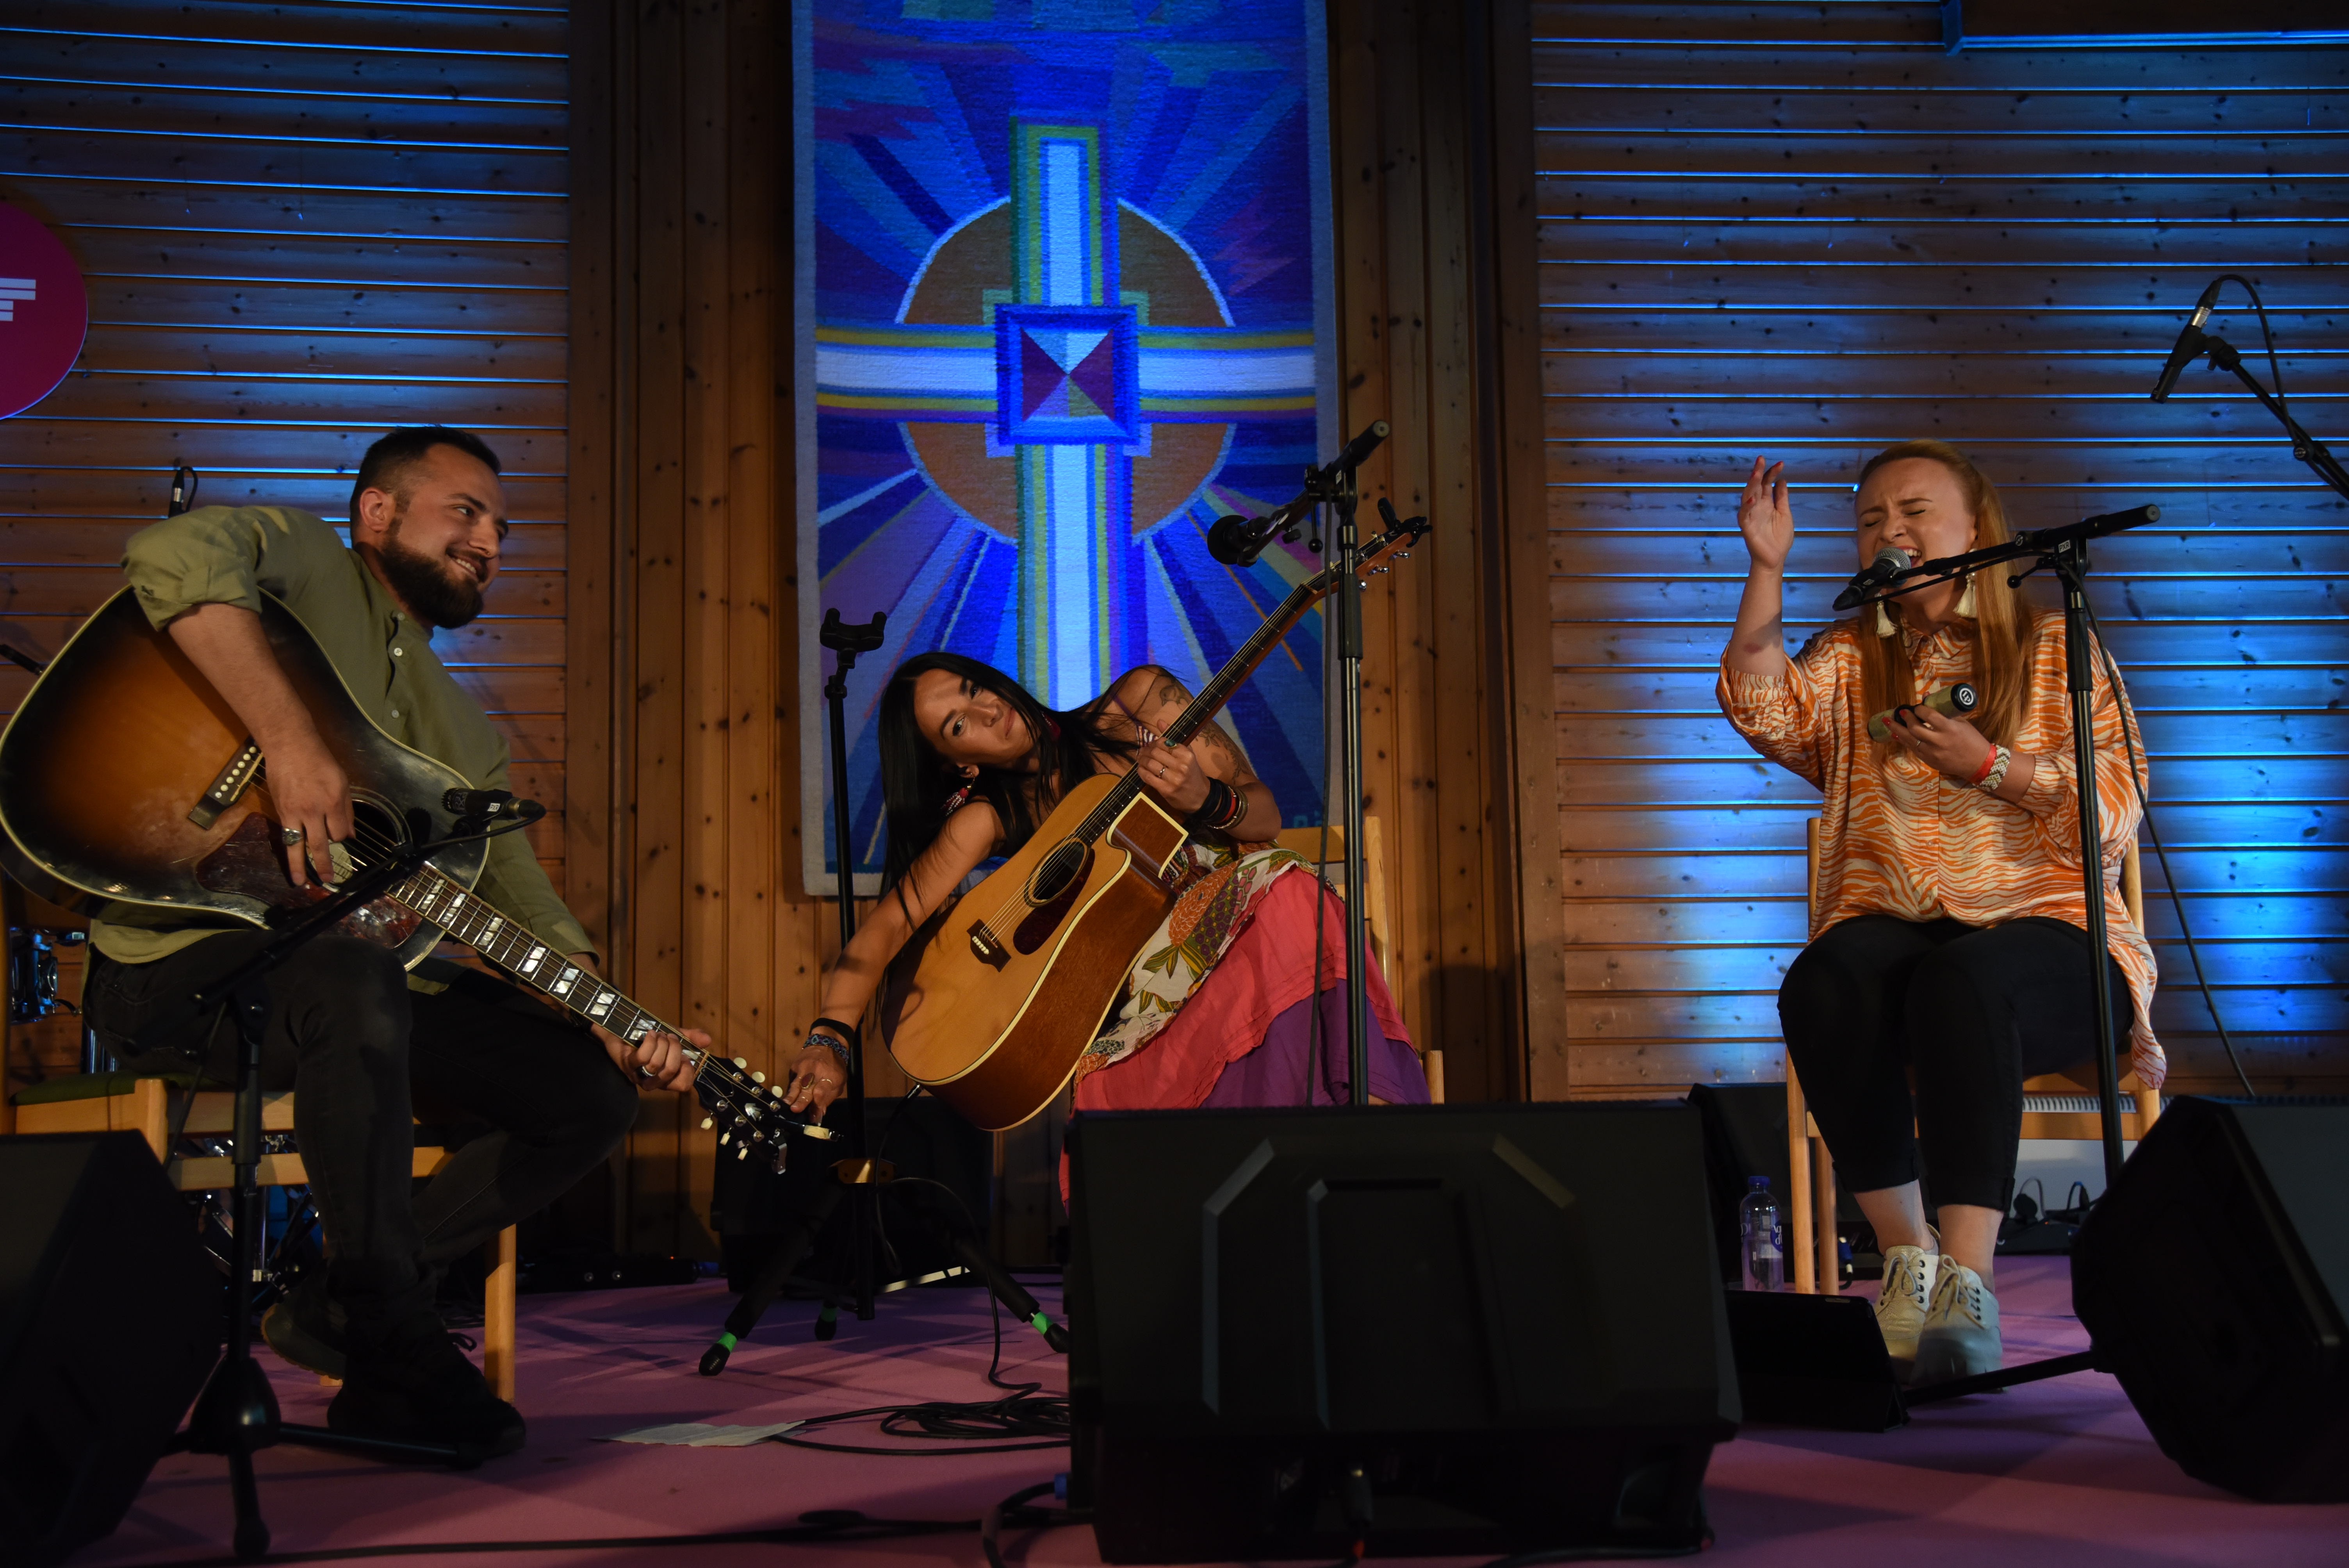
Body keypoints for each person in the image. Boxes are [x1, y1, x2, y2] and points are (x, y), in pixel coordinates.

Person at [83, 427, 708, 1461]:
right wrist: (288, 747)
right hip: (177, 972)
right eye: (464, 510)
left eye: (501, 526)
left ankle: (341, 1304)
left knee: (584, 1097)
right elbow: (170, 558)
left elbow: (531, 910)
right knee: (359, 967)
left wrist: (609, 1015)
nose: (489, 540)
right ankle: (396, 1339)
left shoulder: (466, 739)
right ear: (377, 513)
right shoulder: (307, 565)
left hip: (341, 994)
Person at [1718, 439, 2160, 1384]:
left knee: (1963, 980)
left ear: (1976, 529)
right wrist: (1766, 569)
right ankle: (1907, 1262)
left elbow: (2118, 806)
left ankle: (1970, 1281)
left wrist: (1993, 767)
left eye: (1915, 511)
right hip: (1894, 922)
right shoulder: (1848, 658)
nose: (1891, 531)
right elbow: (1759, 705)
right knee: (1825, 982)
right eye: (1872, 518)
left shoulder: (2052, 645)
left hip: (2053, 936)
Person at [775, 652, 1425, 1135]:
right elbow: (887, 928)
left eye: (975, 690)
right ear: (960, 765)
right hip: (1132, 991)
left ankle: (1359, 1145)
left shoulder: (1138, 705)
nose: (986, 712)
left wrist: (1205, 799)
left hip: (1249, 934)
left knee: (1290, 891)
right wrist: (830, 1039)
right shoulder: (988, 818)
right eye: (956, 726)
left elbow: (1265, 817)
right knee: (1291, 898)